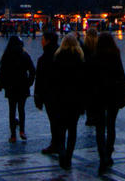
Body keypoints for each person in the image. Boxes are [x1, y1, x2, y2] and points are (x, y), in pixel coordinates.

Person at [89, 32, 125, 174]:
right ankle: (109, 153)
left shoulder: (95, 57)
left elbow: (90, 79)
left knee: (99, 128)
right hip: (113, 95)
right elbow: (121, 75)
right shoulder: (115, 56)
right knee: (111, 125)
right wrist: (123, 93)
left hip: (99, 96)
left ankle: (102, 156)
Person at [53, 33, 86, 169]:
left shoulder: (57, 57)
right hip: (75, 99)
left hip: (61, 98)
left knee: (61, 128)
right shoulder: (80, 59)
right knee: (73, 129)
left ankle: (62, 153)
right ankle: (69, 156)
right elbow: (83, 82)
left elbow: (54, 80)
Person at [0, 36, 35, 143]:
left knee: (12, 110)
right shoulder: (24, 55)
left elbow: (2, 72)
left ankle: (13, 135)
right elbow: (32, 70)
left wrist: (2, 85)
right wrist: (29, 82)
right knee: (21, 109)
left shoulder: (6, 56)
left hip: (11, 87)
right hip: (23, 85)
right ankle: (22, 131)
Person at [34, 30, 61, 156]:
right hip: (62, 93)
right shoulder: (61, 54)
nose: (41, 41)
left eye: (43, 39)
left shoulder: (44, 58)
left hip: (49, 94)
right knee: (60, 120)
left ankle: (56, 144)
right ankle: (60, 144)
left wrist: (38, 97)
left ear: (48, 41)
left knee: (54, 120)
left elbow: (39, 79)